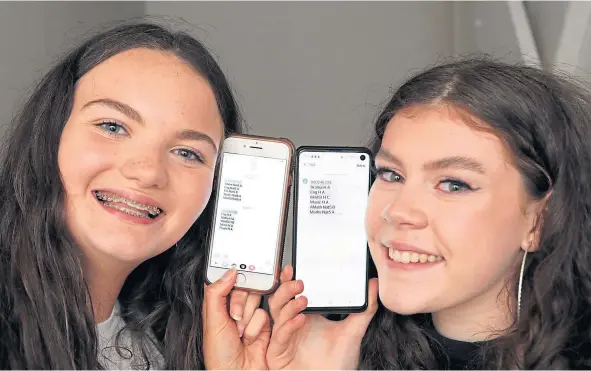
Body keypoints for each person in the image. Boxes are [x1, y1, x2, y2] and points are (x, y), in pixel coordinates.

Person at [266, 58, 591, 369]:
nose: (398, 212)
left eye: (453, 184)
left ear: (540, 221)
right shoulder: (338, 349)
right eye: (391, 175)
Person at [0, 22, 268, 369]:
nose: (148, 172)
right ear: (50, 134)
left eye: (188, 153)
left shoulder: (174, 346)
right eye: (112, 127)